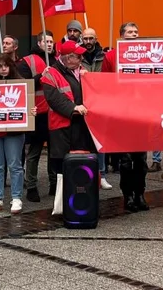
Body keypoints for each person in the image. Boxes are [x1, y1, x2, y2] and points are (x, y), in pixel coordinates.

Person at [43, 41, 107, 206]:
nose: (81, 58)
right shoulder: (51, 73)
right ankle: (63, 203)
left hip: (81, 125)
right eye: (77, 56)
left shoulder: (82, 71)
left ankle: (82, 198)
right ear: (67, 57)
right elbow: (54, 99)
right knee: (62, 166)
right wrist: (73, 108)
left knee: (81, 162)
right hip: (62, 127)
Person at [101, 22, 151, 208]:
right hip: (122, 113)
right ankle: (127, 195)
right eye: (130, 32)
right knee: (125, 160)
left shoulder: (147, 56)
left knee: (141, 160)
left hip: (142, 113)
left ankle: (140, 193)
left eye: (136, 31)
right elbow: (104, 83)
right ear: (122, 35)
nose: (134, 34)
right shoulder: (111, 56)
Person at [0, 54, 35, 214]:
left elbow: (28, 105)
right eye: (0, 66)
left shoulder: (22, 84)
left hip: (14, 131)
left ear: (11, 66)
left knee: (15, 165)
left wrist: (32, 111)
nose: (3, 68)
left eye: (6, 65)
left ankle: (16, 197)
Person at [17, 31, 57, 200]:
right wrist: (41, 76)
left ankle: (54, 184)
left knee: (55, 151)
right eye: (45, 41)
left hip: (55, 112)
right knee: (34, 152)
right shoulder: (27, 61)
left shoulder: (58, 61)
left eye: (51, 42)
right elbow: (22, 85)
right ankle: (31, 186)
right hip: (37, 112)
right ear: (39, 43)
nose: (49, 44)